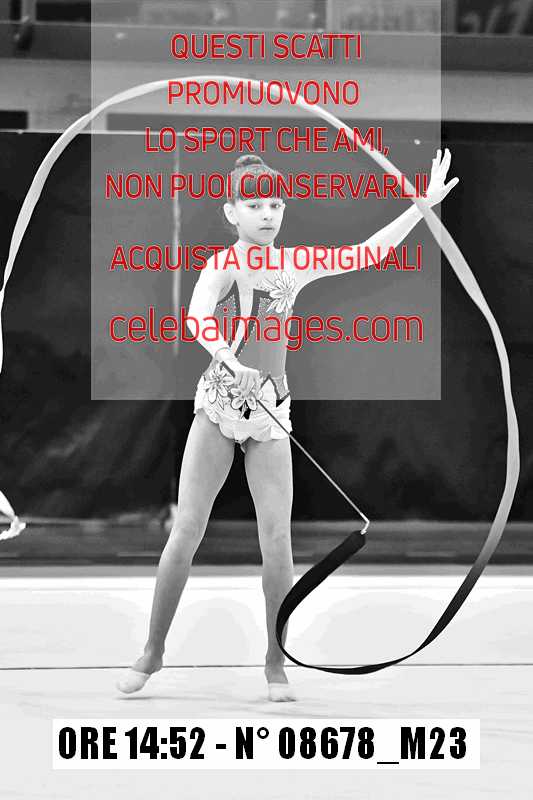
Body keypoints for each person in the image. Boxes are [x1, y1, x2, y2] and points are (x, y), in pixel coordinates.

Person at [117, 149, 458, 701]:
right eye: (254, 205)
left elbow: (369, 253)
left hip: (271, 413)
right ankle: (153, 651)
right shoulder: (222, 265)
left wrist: (421, 205)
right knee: (186, 532)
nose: (267, 214)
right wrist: (229, 360)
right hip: (219, 405)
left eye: (275, 204)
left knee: (277, 542)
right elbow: (198, 317)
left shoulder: (293, 264)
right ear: (231, 212)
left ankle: (276, 661)